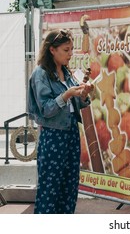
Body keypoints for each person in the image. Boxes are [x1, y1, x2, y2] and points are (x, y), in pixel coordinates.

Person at [27, 29, 94, 214]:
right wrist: (66, 94)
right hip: (53, 136)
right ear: (52, 50)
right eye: (66, 50)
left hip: (71, 133)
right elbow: (46, 109)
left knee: (70, 188)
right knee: (50, 190)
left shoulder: (67, 72)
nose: (70, 54)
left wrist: (83, 94)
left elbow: (75, 104)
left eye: (71, 49)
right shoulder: (40, 74)